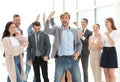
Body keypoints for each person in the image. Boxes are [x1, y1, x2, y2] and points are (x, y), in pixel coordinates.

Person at [44, 11, 82, 82]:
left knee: (78, 80)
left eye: (66, 18)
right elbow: (46, 30)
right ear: (60, 19)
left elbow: (79, 44)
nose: (64, 19)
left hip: (73, 59)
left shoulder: (74, 31)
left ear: (69, 19)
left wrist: (78, 52)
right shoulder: (57, 29)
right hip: (61, 60)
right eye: (62, 18)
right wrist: (48, 18)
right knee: (57, 80)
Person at [50, 17, 72, 82]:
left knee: (68, 74)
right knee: (61, 74)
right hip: (59, 56)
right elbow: (53, 25)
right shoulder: (57, 31)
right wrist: (51, 18)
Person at [100, 17, 119, 82]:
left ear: (111, 23)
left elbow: (113, 43)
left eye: (107, 22)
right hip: (104, 51)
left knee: (111, 73)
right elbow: (103, 44)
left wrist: (108, 35)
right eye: (105, 22)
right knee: (105, 72)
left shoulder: (115, 32)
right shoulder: (104, 32)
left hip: (111, 51)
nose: (105, 23)